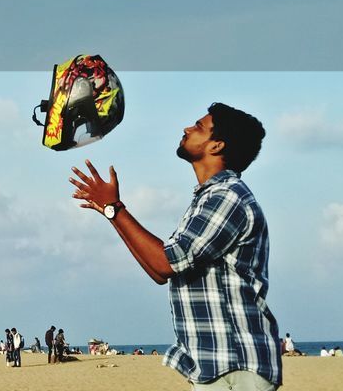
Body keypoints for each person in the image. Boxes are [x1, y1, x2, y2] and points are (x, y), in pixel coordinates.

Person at [71, 103, 281, 389]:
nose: (187, 129)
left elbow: (165, 263)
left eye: (199, 126)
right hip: (216, 366)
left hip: (235, 365)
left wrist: (114, 207)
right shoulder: (207, 198)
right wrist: (111, 211)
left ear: (217, 145)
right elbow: (159, 272)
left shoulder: (228, 197)